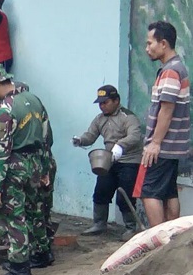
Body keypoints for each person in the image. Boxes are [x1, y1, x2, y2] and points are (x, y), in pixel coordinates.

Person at [0, 64, 51, 275]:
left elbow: (0, 149)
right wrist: (45, 169)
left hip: (14, 167)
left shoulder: (5, 109)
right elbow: (46, 137)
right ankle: (40, 254)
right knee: (32, 210)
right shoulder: (34, 100)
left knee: (12, 217)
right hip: (34, 164)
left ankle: (19, 269)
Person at [72, 85, 143, 240]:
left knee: (125, 196)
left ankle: (131, 227)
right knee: (101, 191)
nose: (102, 106)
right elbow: (90, 135)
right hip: (109, 160)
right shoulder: (99, 119)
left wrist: (120, 145)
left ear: (116, 100)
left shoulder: (128, 117)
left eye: (105, 102)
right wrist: (80, 140)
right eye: (100, 103)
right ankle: (99, 224)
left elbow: (135, 136)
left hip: (129, 161)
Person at [139, 21, 191, 227]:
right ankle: (172, 240)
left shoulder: (171, 71)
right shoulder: (176, 68)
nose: (147, 48)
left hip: (163, 146)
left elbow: (166, 110)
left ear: (163, 44)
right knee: (169, 191)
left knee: (148, 191)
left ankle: (159, 240)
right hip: (173, 147)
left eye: (150, 43)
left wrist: (155, 143)